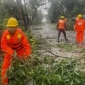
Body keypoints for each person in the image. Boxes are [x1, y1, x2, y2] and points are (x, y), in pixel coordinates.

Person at [1, 17, 31, 85]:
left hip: (20, 52)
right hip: (9, 53)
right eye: (9, 27)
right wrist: (11, 53)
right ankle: (5, 83)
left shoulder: (20, 33)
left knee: (23, 67)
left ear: (16, 27)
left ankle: (24, 81)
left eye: (12, 27)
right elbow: (3, 45)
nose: (10, 29)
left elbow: (27, 45)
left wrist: (27, 56)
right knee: (4, 69)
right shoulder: (5, 33)